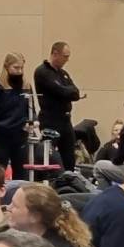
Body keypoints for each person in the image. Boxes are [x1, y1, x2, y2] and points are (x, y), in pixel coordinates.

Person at [33, 42, 81, 173]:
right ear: (55, 54)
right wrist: (67, 91)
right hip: (50, 120)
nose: (67, 60)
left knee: (69, 157)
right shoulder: (42, 72)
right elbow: (59, 90)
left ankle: (69, 179)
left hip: (65, 120)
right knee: (47, 156)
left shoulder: (63, 73)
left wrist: (67, 91)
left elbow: (76, 93)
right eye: (65, 56)